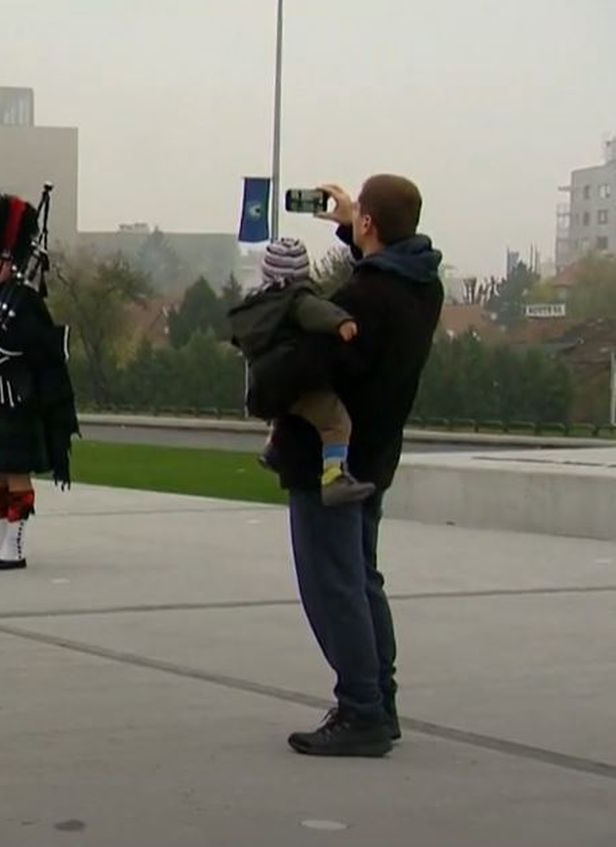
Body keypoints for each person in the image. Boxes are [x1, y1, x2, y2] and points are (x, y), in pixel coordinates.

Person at [269, 175, 443, 757]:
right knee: (362, 580)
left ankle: (361, 709)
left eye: (360, 215)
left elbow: (310, 366)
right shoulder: (424, 286)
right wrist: (352, 227)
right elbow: (387, 269)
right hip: (375, 454)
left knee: (334, 587)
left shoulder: (363, 298)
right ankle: (379, 701)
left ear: (370, 222)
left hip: (328, 464)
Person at [0, 194, 78, 572]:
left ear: (10, 261)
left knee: (15, 472)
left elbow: (23, 345)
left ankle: (15, 546)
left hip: (17, 400)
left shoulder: (25, 301)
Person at [229, 237, 375, 505]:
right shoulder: (296, 301)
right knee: (335, 422)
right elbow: (317, 311)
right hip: (299, 383)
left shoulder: (258, 304)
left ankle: (273, 450)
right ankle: (333, 475)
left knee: (284, 411)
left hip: (268, 384)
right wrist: (342, 322)